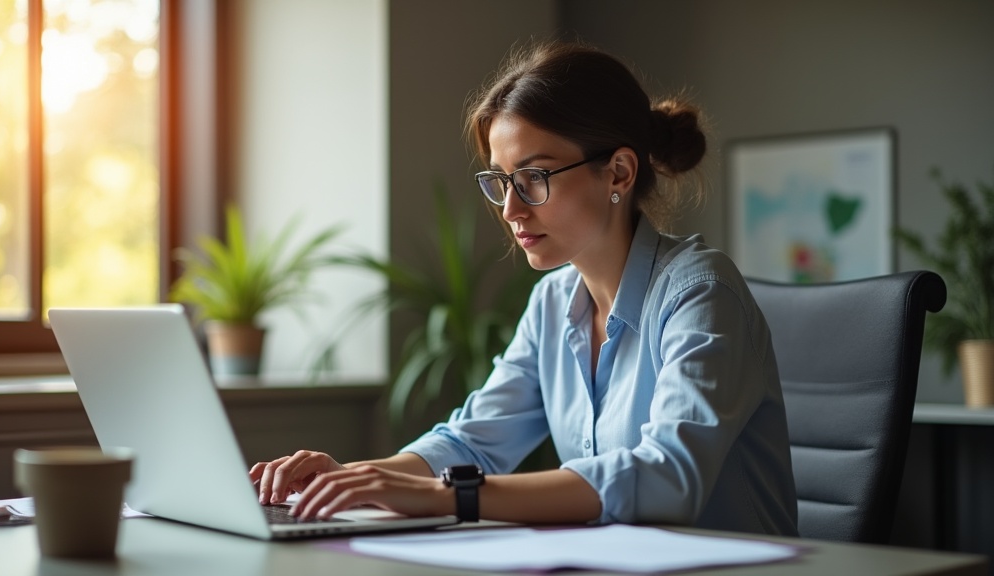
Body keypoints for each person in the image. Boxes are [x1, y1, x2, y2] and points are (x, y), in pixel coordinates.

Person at [249, 40, 799, 536]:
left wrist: (444, 496)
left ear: (619, 174)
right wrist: (349, 477)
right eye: (500, 181)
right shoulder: (553, 302)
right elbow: (472, 441)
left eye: (535, 177)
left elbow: (666, 478)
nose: (510, 210)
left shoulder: (700, 293)